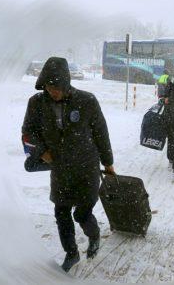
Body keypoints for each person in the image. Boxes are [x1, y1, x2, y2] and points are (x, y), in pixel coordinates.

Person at [22, 57, 115, 273]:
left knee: (81, 214)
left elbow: (101, 133)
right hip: (60, 169)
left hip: (87, 168)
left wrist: (108, 163)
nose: (52, 91)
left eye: (57, 87)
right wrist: (41, 151)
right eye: (48, 86)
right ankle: (71, 253)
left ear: (66, 84)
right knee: (61, 213)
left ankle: (94, 236)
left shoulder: (87, 101)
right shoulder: (36, 103)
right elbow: (28, 133)